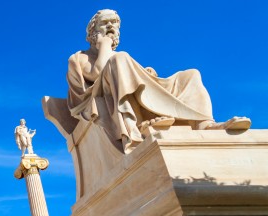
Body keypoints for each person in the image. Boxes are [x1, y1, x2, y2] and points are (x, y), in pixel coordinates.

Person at [67, 9, 250, 151]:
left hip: (125, 86)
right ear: (93, 31)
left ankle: (204, 124)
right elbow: (97, 73)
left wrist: (145, 73)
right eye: (105, 22)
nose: (110, 26)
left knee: (190, 75)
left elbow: (124, 71)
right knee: (120, 58)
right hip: (105, 98)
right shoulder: (80, 57)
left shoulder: (118, 57)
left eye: (114, 23)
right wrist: (105, 45)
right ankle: (138, 127)